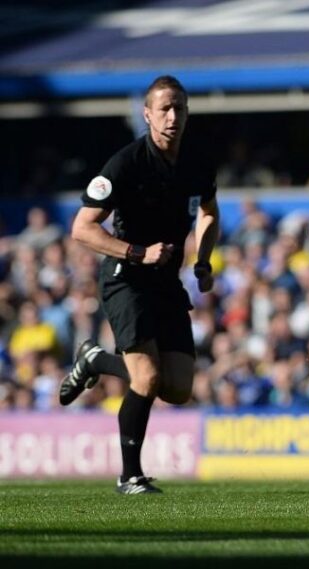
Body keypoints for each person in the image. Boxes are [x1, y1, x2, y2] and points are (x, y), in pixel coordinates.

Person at [60, 75, 219, 494]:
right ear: (147, 114)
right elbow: (82, 228)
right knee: (145, 378)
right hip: (126, 279)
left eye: (179, 108)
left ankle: (96, 360)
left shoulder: (198, 162)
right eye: (164, 108)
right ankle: (129, 475)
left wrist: (203, 260)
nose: (172, 116)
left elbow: (209, 212)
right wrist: (137, 252)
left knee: (179, 388)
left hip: (167, 284)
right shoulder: (126, 163)